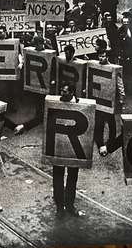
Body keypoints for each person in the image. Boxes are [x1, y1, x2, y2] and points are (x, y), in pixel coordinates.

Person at [52, 83, 81, 218]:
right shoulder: (55, 103)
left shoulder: (81, 105)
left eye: (65, 91)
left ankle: (70, 205)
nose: (62, 94)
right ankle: (59, 207)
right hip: (58, 146)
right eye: (61, 91)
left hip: (74, 148)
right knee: (57, 177)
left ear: (72, 92)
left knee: (72, 178)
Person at [94, 50, 125, 156]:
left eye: (103, 56)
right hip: (98, 102)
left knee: (112, 126)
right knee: (98, 125)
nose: (100, 58)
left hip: (109, 103)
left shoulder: (114, 69)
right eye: (99, 56)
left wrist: (121, 99)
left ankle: (109, 146)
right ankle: (100, 146)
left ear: (107, 57)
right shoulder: (95, 66)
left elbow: (120, 85)